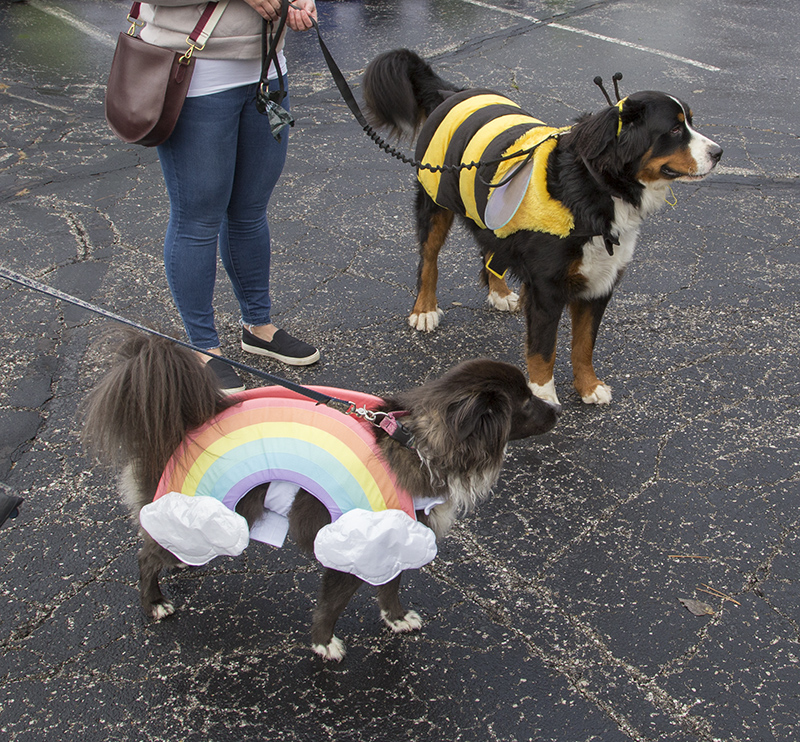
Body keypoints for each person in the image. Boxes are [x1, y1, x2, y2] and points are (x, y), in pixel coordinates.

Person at [139, 0, 320, 393]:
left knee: (250, 211)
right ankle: (202, 347)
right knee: (198, 218)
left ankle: (258, 326)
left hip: (267, 68)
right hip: (197, 70)